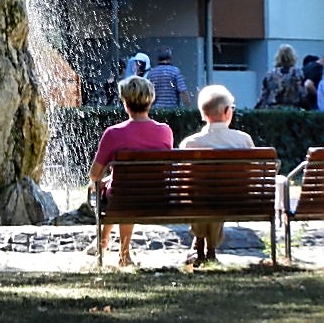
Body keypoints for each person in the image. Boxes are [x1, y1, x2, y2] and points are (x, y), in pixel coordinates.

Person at [87, 75, 174, 266]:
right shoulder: (165, 131)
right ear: (150, 101)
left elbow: (94, 174)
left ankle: (118, 251)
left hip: (123, 198)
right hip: (156, 196)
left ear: (125, 103)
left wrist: (103, 181)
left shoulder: (114, 133)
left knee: (115, 190)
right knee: (121, 187)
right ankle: (105, 244)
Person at [179, 84, 254, 265]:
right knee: (220, 192)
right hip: (235, 199)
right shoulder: (243, 140)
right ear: (228, 112)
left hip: (198, 201)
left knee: (203, 193)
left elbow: (180, 178)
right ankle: (210, 248)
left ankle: (199, 244)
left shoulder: (190, 143)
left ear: (203, 114)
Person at [256, 44, 305, 109]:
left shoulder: (270, 75)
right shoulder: (297, 74)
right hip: (292, 110)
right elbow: (303, 93)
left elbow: (263, 96)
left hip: (273, 110)